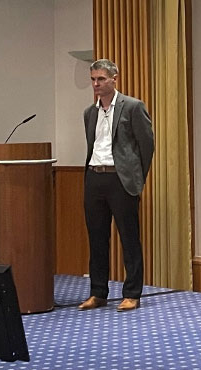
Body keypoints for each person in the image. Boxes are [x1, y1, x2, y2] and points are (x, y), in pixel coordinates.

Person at [78, 59, 155, 312]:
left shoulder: (132, 106)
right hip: (94, 177)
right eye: (93, 79)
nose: (96, 84)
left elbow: (146, 145)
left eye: (101, 79)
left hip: (120, 179)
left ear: (114, 79)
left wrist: (136, 178)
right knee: (96, 238)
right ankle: (98, 292)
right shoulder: (89, 113)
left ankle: (132, 293)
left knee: (129, 238)